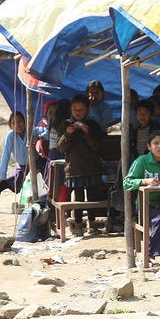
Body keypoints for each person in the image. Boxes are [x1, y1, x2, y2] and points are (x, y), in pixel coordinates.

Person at [123, 130, 160, 261]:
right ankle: (151, 255)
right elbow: (126, 182)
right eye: (156, 143)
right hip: (146, 206)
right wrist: (144, 181)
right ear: (149, 146)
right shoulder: (141, 161)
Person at [57, 94, 104, 236]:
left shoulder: (93, 125)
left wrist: (87, 133)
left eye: (81, 109)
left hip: (92, 167)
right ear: (71, 110)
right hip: (74, 168)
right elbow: (61, 147)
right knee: (77, 199)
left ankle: (92, 224)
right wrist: (68, 133)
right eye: (75, 109)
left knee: (92, 196)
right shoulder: (65, 125)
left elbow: (97, 146)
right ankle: (78, 226)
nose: (78, 112)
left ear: (87, 110)